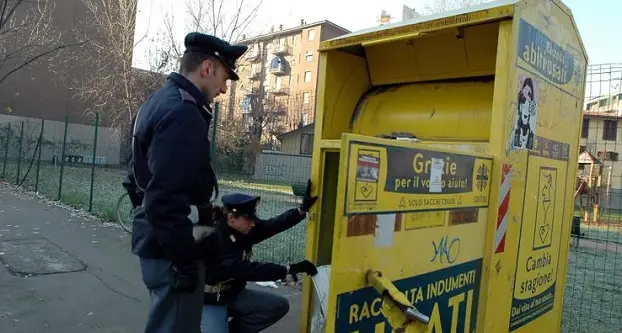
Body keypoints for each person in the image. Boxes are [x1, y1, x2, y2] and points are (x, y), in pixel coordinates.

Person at [122, 32, 248, 333]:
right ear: (206, 68)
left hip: (156, 243)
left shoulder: (156, 102)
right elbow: (164, 199)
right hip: (173, 254)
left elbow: (135, 180)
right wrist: (185, 260)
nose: (224, 90)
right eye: (224, 79)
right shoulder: (183, 113)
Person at [196, 180, 320, 333]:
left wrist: (301, 210)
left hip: (233, 294)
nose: (253, 224)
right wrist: (287, 269)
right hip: (210, 300)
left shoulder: (241, 229)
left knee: (277, 306)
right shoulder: (216, 238)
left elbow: (272, 226)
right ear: (231, 218)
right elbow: (247, 270)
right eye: (248, 219)